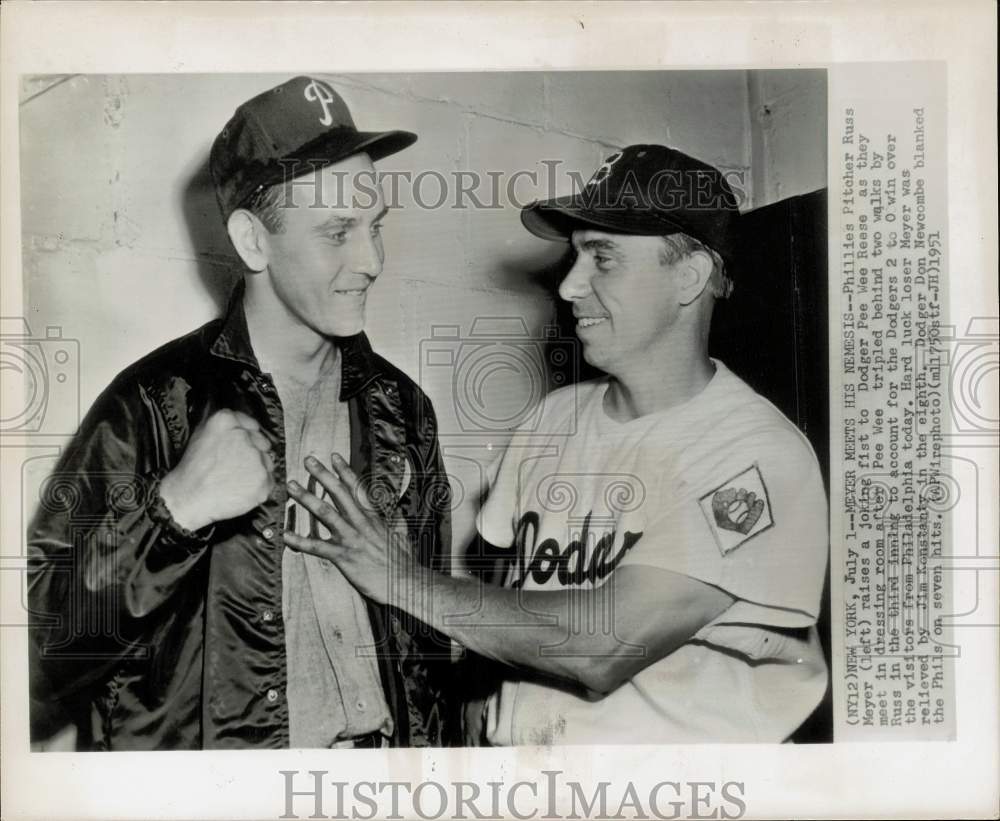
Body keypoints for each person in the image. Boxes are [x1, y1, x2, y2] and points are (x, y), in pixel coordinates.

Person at [285, 144, 829, 744]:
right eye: (574, 257)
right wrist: (485, 700)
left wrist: (398, 578)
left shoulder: (754, 456)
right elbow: (508, 590)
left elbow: (601, 647)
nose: (570, 286)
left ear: (690, 276)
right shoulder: (554, 418)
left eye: (604, 257)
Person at [27, 76, 455, 750]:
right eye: (338, 232)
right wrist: (170, 515)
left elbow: (428, 650)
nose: (371, 261)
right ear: (253, 242)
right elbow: (38, 654)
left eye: (376, 228)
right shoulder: (154, 404)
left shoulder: (400, 408)